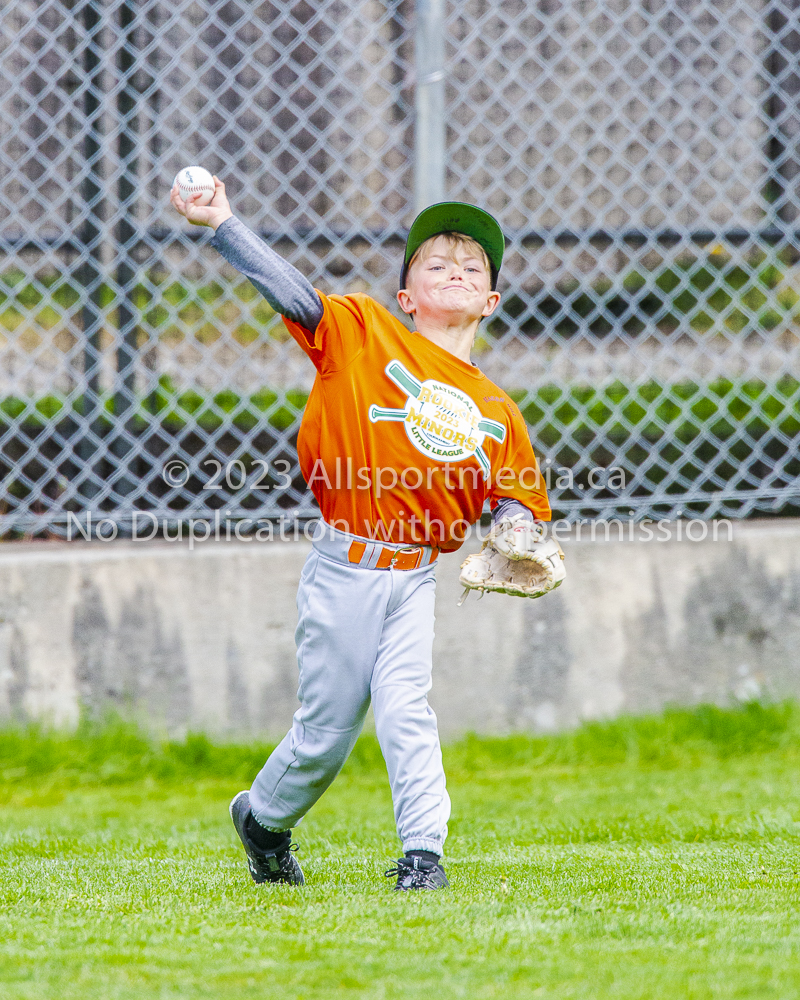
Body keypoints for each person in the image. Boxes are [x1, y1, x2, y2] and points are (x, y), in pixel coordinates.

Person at [170, 178, 551, 890]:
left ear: (491, 302)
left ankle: (423, 856)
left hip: (413, 580)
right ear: (407, 297)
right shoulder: (364, 335)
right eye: (435, 263)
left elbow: (513, 494)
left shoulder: (497, 409)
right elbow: (294, 295)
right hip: (345, 568)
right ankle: (263, 821)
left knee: (408, 709)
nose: (457, 269)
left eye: (473, 267)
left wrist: (515, 533)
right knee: (324, 738)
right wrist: (223, 222)